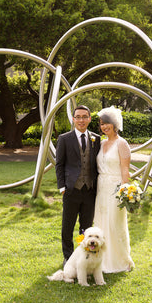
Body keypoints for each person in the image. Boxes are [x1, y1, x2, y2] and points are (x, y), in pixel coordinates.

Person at [55, 105, 101, 266]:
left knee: (87, 227)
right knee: (67, 226)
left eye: (84, 117)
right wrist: (62, 186)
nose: (81, 120)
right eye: (78, 117)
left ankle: (85, 255)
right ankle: (68, 256)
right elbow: (59, 164)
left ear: (89, 119)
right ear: (73, 119)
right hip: (71, 189)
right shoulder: (64, 138)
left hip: (89, 191)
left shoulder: (96, 138)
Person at [93, 106, 135, 273]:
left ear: (115, 124)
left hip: (115, 188)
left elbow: (126, 170)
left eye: (107, 123)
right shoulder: (101, 143)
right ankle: (100, 260)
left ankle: (119, 261)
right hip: (100, 188)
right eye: (102, 124)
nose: (104, 127)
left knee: (114, 224)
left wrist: (125, 192)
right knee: (100, 222)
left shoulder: (122, 143)